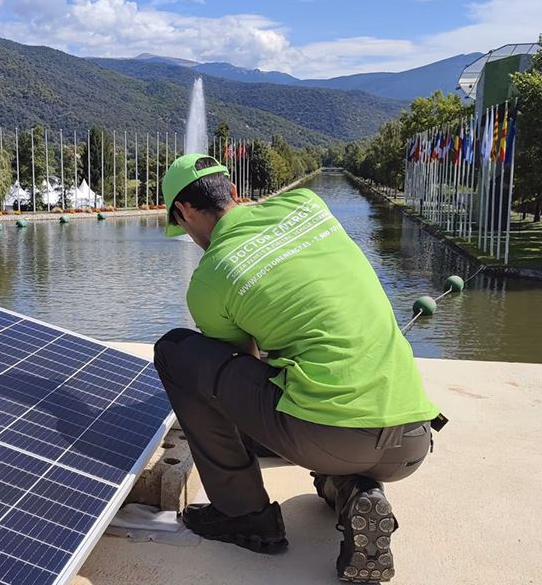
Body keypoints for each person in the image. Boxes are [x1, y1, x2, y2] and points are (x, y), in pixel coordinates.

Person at [153, 154, 446, 584]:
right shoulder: (308, 203)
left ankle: (244, 514)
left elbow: (241, 370)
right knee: (324, 405)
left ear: (184, 211)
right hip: (413, 440)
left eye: (184, 227)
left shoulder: (211, 277)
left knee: (176, 351)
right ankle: (355, 495)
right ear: (234, 192)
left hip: (330, 437)